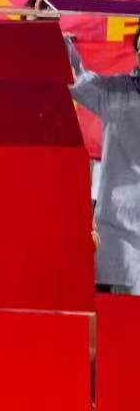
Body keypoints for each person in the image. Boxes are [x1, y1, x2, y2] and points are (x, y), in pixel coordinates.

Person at [67, 26, 140, 293]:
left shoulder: (119, 96)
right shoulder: (119, 95)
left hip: (118, 246)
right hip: (119, 247)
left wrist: (55, 35)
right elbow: (77, 79)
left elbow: (78, 79)